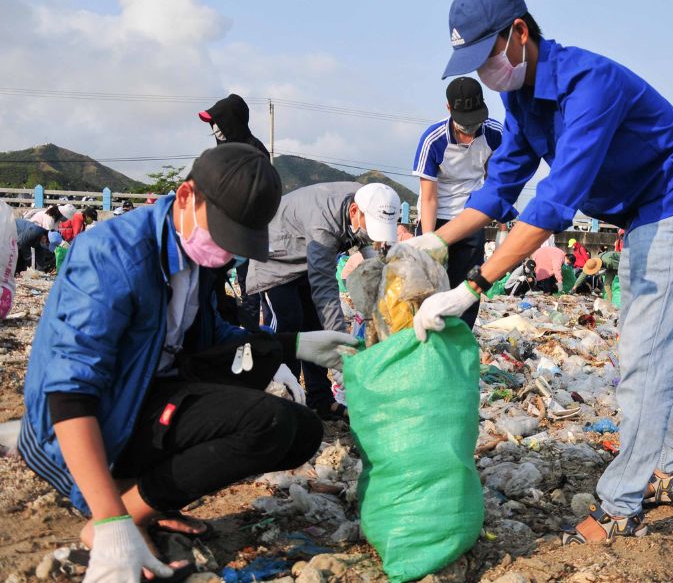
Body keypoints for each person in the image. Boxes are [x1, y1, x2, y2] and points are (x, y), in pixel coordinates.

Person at [409, 0, 673, 543]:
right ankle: (671, 468)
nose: (484, 72)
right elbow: (502, 182)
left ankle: (621, 503)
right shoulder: (523, 100)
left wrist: (474, 284)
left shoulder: (588, 84)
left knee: (645, 360)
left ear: (519, 33)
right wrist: (431, 243)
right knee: (644, 351)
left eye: (486, 56)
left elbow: (555, 199)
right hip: (642, 220)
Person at [18, 144, 359, 582]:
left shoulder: (194, 258)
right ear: (184, 197)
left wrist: (293, 344)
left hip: (148, 397)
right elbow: (68, 393)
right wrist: (111, 526)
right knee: (265, 423)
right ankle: (118, 515)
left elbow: (213, 340)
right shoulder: (112, 256)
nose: (224, 251)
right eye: (221, 233)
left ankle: (140, 502)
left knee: (302, 430)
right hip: (89, 424)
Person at [247, 182, 401, 419]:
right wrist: (342, 352)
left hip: (305, 261)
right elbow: (325, 288)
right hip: (275, 259)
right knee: (288, 325)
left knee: (316, 327)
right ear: (354, 212)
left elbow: (375, 257)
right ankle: (284, 400)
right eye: (371, 228)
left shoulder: (373, 199)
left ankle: (320, 400)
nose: (372, 235)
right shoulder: (324, 223)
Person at [413, 76, 503, 329]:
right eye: (465, 125)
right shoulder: (433, 140)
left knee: (467, 289)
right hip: (437, 216)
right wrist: (430, 242)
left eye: (475, 123)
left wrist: (493, 212)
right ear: (449, 109)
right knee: (429, 288)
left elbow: (493, 176)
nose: (470, 132)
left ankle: (458, 342)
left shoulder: (495, 134)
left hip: (471, 217)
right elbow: (429, 198)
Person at [199, 93, 271, 331]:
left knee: (248, 282)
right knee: (213, 280)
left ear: (232, 121)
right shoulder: (220, 151)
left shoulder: (255, 150)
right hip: (218, 229)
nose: (215, 128)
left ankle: (250, 333)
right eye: (212, 124)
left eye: (218, 122)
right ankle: (220, 327)